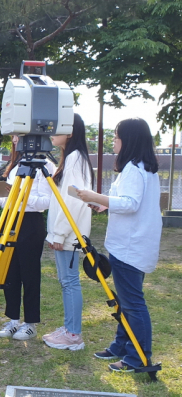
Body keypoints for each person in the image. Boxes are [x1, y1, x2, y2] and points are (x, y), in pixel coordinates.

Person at [77, 118, 161, 372]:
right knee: (125, 301)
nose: (114, 141)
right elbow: (127, 201)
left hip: (130, 247)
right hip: (131, 243)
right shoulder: (142, 168)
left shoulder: (136, 169)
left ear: (129, 140)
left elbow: (130, 203)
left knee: (133, 303)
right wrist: (104, 204)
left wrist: (94, 196)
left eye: (116, 136)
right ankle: (121, 345)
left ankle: (138, 358)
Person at [0, 135, 54, 340]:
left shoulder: (46, 167)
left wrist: (22, 196)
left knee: (30, 273)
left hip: (31, 223)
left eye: (20, 136)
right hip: (11, 220)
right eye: (14, 136)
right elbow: (10, 200)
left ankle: (31, 322)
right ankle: (13, 319)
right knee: (10, 272)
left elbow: (46, 202)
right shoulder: (17, 166)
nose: (15, 140)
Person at [43, 113, 93, 350]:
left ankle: (73, 334)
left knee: (70, 282)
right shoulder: (71, 158)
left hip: (70, 233)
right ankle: (69, 328)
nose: (52, 133)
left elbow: (73, 201)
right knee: (66, 281)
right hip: (66, 232)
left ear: (71, 133)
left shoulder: (75, 159)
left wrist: (59, 234)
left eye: (58, 128)